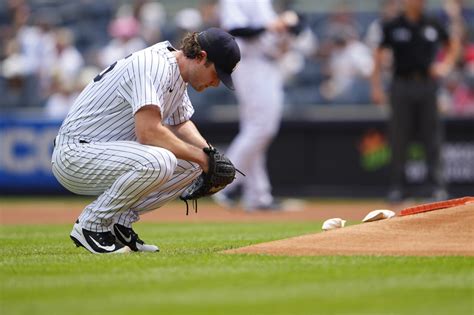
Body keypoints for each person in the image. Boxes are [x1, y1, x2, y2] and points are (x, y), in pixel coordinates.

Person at [51, 28, 240, 254]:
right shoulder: (154, 65)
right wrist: (204, 159)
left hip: (103, 151)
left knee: (191, 165)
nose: (216, 83)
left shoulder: (177, 73)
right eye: (216, 73)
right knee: (160, 160)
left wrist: (209, 154)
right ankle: (91, 224)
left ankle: (119, 222)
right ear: (201, 57)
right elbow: (148, 133)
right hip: (75, 154)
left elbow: (181, 123)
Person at [371, 0, 460, 202]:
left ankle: (437, 187)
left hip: (428, 85)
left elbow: (452, 44)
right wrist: (376, 86)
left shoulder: (433, 22)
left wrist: (445, 65)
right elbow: (378, 54)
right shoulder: (393, 25)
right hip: (401, 84)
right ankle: (398, 187)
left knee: (432, 136)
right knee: (399, 137)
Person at [214, 0, 297, 211]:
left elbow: (280, 31)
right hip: (250, 64)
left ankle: (258, 196)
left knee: (254, 131)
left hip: (269, 64)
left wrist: (288, 27)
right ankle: (222, 181)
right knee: (261, 128)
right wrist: (272, 26)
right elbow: (235, 29)